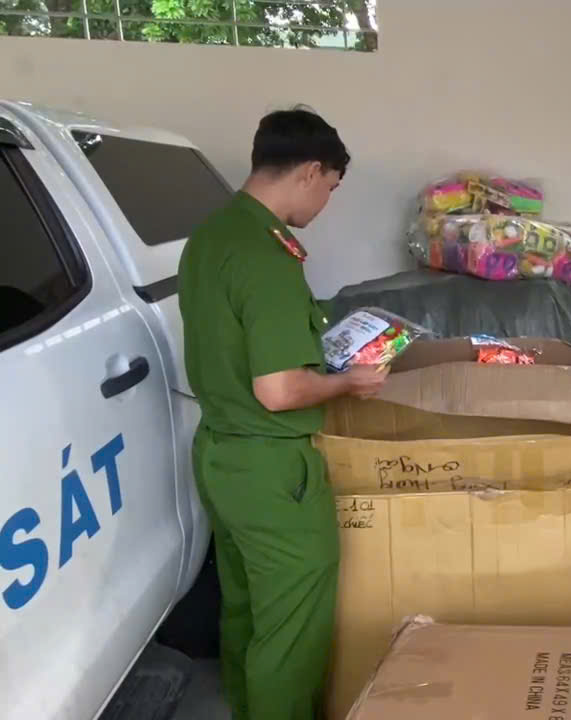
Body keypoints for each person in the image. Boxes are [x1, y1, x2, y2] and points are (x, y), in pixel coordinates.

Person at [178, 107, 388, 720]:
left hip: (220, 452)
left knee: (246, 607)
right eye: (331, 188)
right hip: (272, 468)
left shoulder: (212, 234)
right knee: (292, 628)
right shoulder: (267, 254)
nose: (326, 202)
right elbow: (278, 390)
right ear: (311, 171)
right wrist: (349, 382)